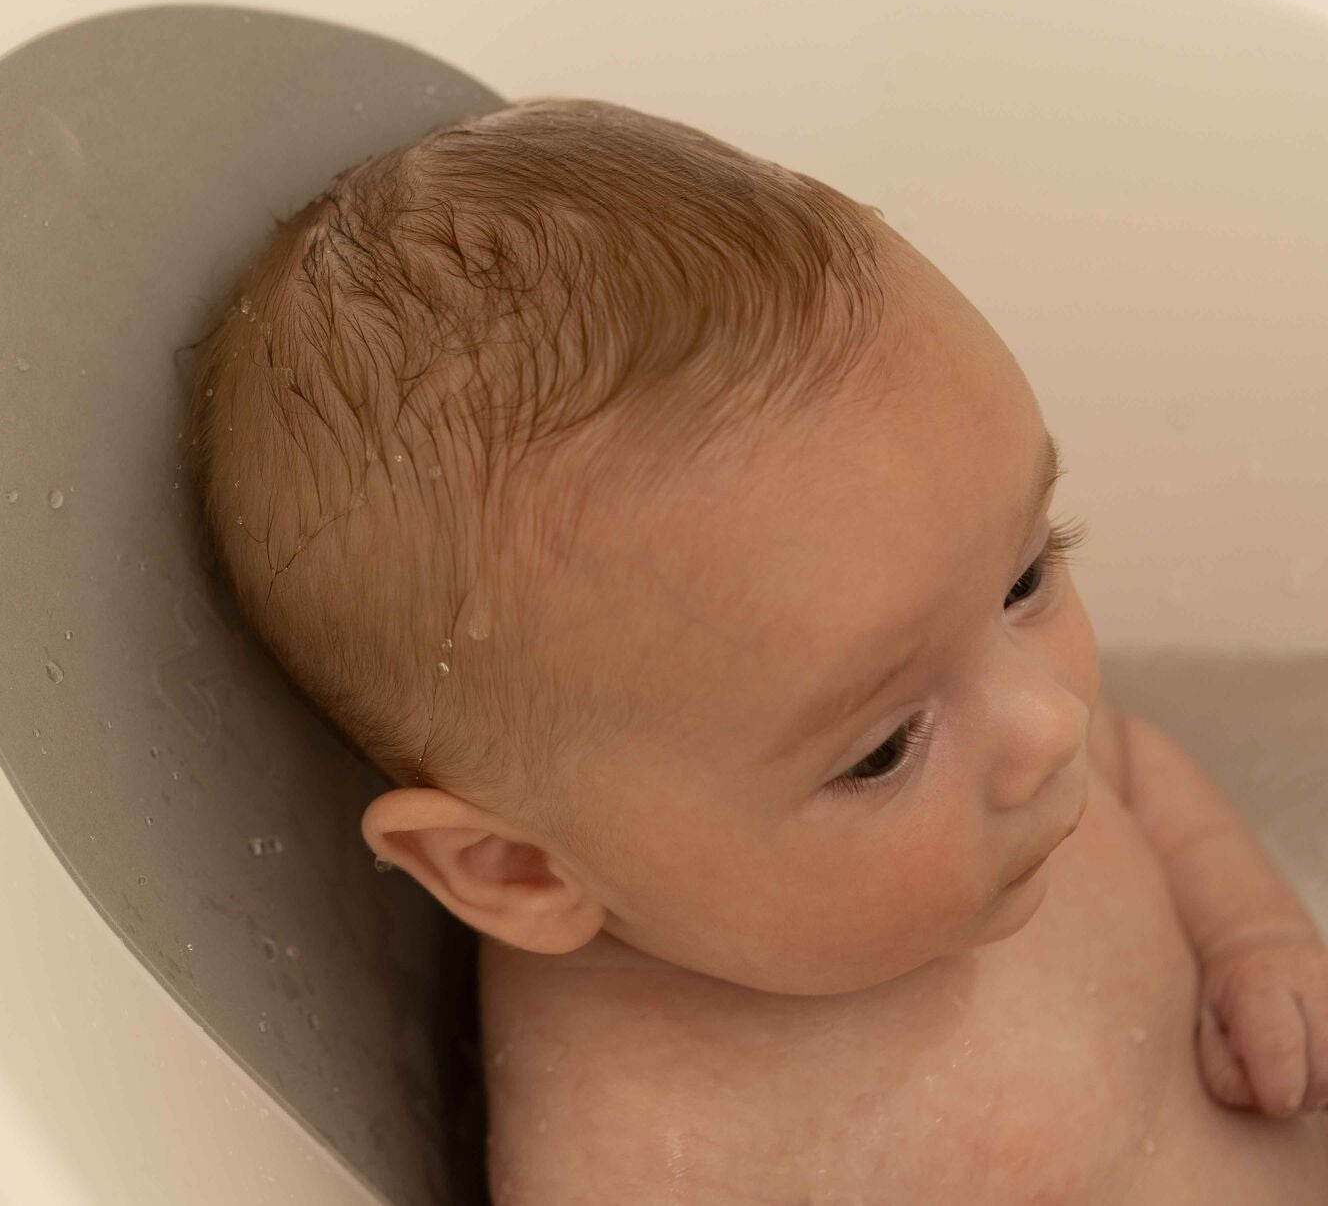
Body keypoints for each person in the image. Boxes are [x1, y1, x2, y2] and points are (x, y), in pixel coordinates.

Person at [184, 98, 1328, 1202]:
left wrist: (1254, 935)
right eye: (882, 749)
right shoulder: (655, 1151)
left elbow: (1141, 773)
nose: (1051, 723)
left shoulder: (1003, 744)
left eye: (1024, 576)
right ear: (519, 871)